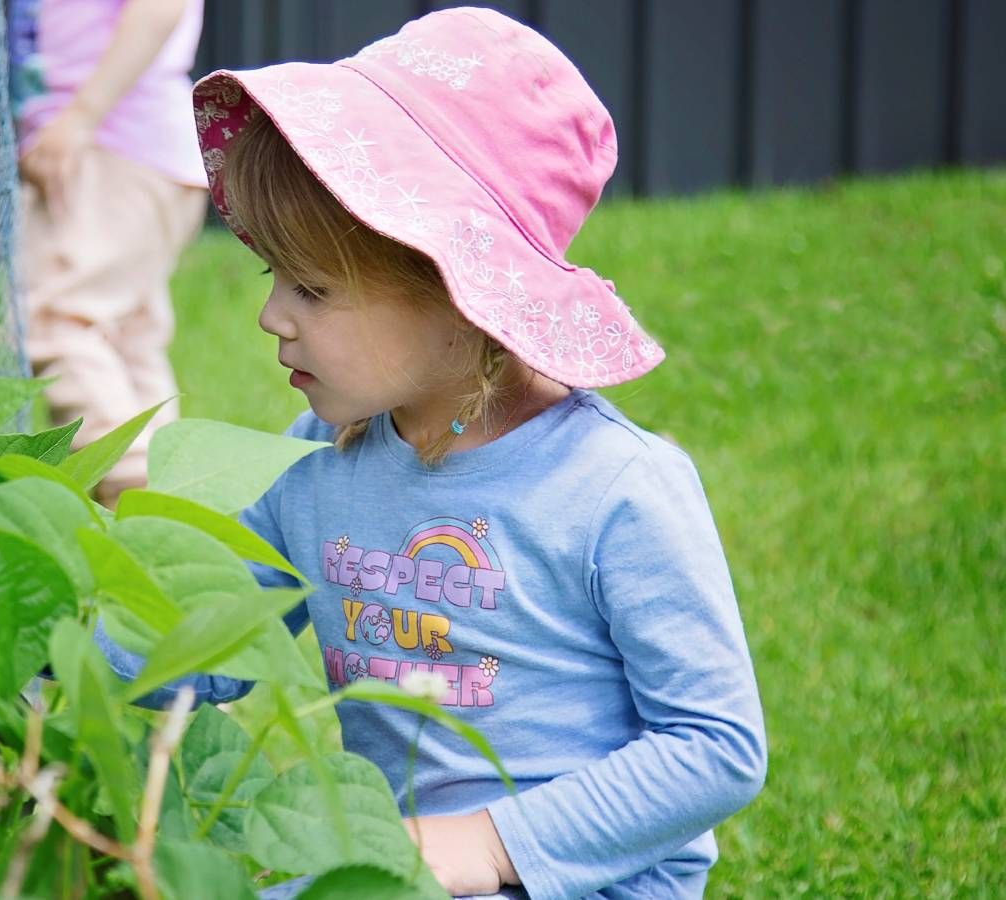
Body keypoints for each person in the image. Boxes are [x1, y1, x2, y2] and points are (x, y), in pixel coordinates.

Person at [95, 8, 767, 898]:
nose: (272, 317)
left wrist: (492, 844)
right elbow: (196, 634)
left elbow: (716, 749)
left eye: (313, 287)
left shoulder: (615, 489)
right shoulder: (317, 466)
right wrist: (16, 665)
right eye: (275, 279)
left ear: (458, 291)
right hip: (394, 870)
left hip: (585, 878)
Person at [7, 0, 209, 506]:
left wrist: (78, 119)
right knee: (124, 335)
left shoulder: (91, 130)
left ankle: (132, 487)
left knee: (57, 321)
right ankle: (170, 499)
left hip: (109, 151)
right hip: (138, 152)